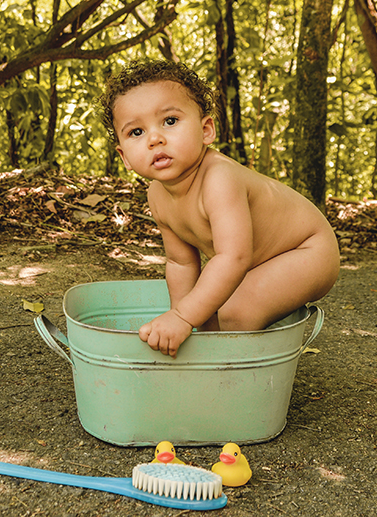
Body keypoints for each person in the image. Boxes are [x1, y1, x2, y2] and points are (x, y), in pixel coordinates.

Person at [101, 59, 341, 357]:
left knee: (235, 311)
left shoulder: (219, 179)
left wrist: (183, 318)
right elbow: (181, 263)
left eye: (170, 121)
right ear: (124, 156)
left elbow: (233, 257)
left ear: (206, 130)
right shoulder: (157, 195)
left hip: (308, 251)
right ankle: (207, 365)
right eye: (136, 132)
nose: (155, 138)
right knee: (204, 312)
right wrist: (180, 319)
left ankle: (234, 376)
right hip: (255, 262)